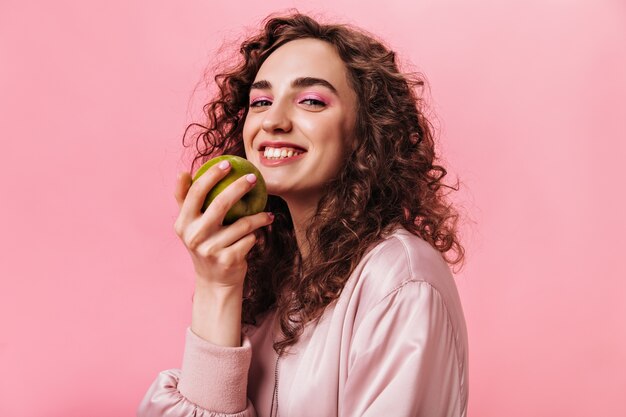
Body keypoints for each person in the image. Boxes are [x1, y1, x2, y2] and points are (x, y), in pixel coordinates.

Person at [138, 12, 468, 417]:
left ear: (365, 131)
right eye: (260, 101)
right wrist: (217, 288)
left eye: (311, 100)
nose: (273, 121)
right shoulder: (274, 284)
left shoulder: (400, 280)